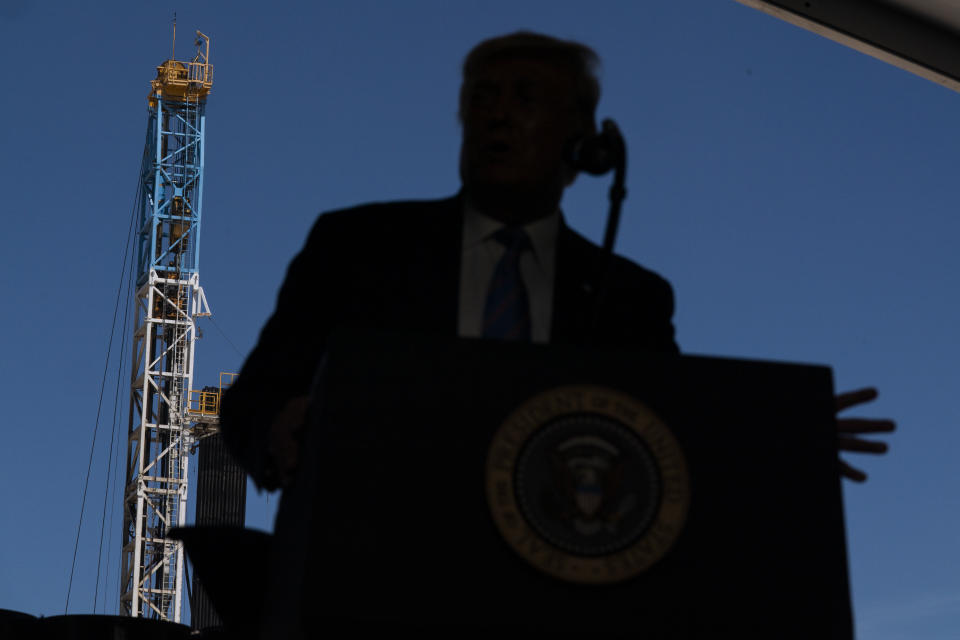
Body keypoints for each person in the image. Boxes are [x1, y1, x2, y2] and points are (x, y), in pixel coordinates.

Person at [220, 31, 893, 492]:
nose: (496, 118)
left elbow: (665, 433)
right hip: (369, 571)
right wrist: (275, 429)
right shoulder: (357, 246)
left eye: (525, 98)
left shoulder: (630, 297)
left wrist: (780, 434)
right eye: (481, 99)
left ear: (582, 142)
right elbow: (250, 401)